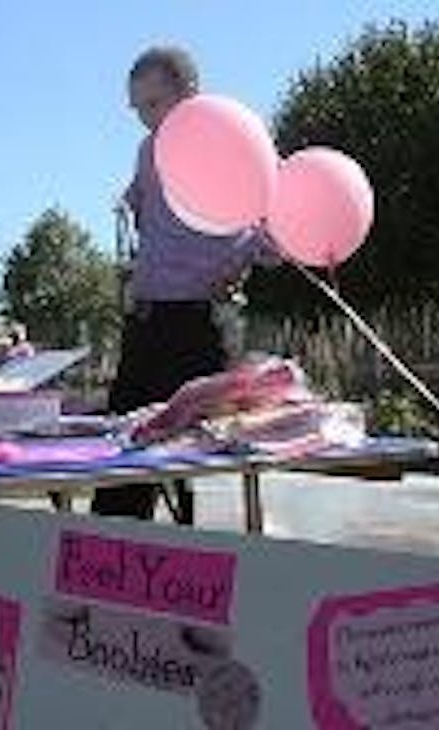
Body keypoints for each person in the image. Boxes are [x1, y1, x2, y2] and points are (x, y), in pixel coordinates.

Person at [93, 46, 277, 521]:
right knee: (123, 451)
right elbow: (140, 206)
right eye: (138, 109)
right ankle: (106, 564)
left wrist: (250, 257)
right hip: (149, 317)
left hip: (199, 322)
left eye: (154, 104)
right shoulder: (148, 149)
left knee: (197, 459)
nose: (146, 118)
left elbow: (267, 225)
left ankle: (197, 572)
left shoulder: (230, 139)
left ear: (189, 93)